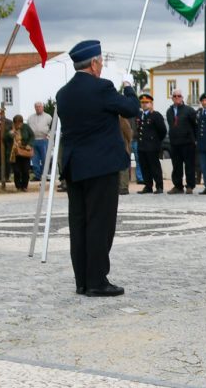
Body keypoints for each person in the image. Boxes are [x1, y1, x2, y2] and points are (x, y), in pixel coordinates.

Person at [55, 39, 140, 297]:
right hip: (100, 166)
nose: (101, 66)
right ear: (93, 64)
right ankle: (97, 281)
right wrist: (128, 87)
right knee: (100, 224)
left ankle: (81, 280)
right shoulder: (102, 88)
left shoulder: (63, 94)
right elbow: (131, 109)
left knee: (79, 223)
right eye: (101, 62)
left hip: (74, 167)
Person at [166, 88, 198, 194]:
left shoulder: (189, 110)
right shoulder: (169, 111)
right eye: (174, 96)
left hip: (188, 143)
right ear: (172, 98)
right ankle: (178, 186)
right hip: (175, 143)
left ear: (182, 98)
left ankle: (190, 186)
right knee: (176, 166)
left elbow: (195, 126)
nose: (177, 98)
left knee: (189, 165)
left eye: (179, 96)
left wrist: (195, 139)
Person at [135, 94, 166, 194]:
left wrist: (156, 141)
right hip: (142, 146)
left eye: (146, 103)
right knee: (144, 167)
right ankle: (148, 186)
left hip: (152, 146)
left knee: (155, 167)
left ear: (151, 104)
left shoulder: (156, 115)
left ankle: (159, 186)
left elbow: (162, 131)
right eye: (142, 103)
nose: (144, 105)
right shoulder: (140, 115)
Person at [5, 115, 34, 191]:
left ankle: (24, 186)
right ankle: (18, 186)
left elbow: (32, 136)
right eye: (17, 123)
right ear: (14, 123)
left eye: (20, 123)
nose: (18, 125)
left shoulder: (26, 127)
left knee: (25, 170)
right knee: (16, 171)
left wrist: (29, 144)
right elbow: (4, 138)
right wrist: (9, 134)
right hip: (14, 153)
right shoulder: (10, 128)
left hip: (24, 152)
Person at [27, 102, 52, 181]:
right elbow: (28, 129)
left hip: (44, 140)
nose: (38, 108)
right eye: (36, 107)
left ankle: (46, 175)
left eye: (39, 106)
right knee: (34, 159)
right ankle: (37, 176)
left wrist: (49, 135)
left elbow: (52, 128)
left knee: (45, 159)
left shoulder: (48, 117)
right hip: (33, 140)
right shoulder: (30, 118)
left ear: (42, 107)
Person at [117, 109, 135, 195]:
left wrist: (127, 143)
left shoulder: (120, 118)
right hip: (112, 147)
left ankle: (123, 187)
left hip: (122, 145)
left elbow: (128, 132)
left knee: (123, 167)